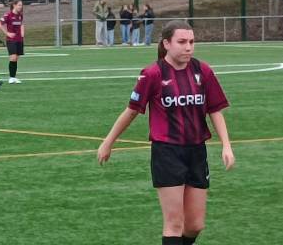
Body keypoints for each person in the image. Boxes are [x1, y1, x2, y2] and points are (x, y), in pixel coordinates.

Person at [97, 20, 235, 245]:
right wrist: (108, 142)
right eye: (182, 42)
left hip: (197, 152)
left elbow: (215, 109)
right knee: (174, 223)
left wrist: (226, 145)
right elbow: (131, 111)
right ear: (167, 44)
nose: (188, 47)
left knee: (195, 225)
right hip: (167, 152)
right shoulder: (152, 74)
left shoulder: (203, 71)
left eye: (191, 42)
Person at [0, 0, 25, 84]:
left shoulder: (20, 15)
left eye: (21, 5)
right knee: (13, 57)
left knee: (16, 58)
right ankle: (11, 78)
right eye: (19, 5)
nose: (21, 7)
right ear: (14, 5)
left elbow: (22, 24)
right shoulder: (8, 15)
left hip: (19, 39)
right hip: (11, 40)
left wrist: (22, 33)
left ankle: (13, 77)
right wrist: (7, 33)